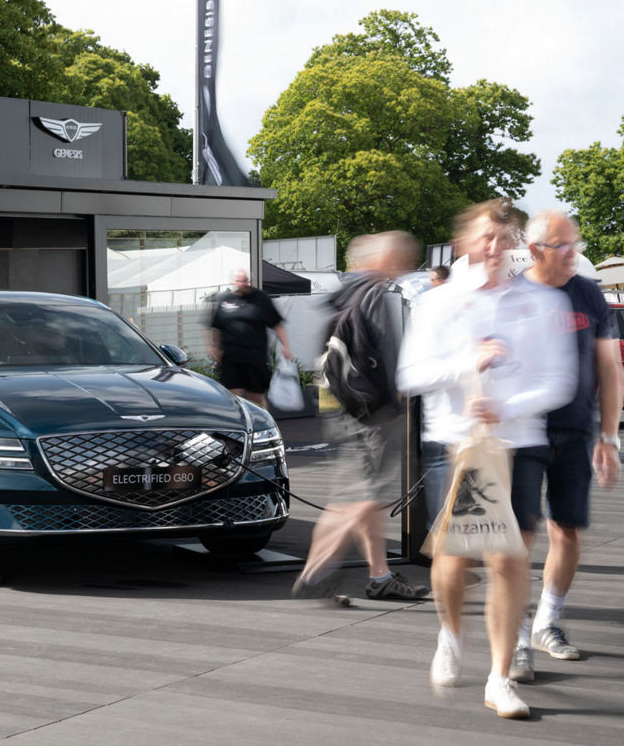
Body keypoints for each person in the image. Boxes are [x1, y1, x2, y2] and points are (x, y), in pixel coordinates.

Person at [397, 199, 577, 720]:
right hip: (457, 444)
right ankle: (450, 635)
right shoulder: (438, 303)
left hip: (517, 444)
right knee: (454, 559)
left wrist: (507, 407)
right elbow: (411, 375)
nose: (496, 248)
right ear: (465, 243)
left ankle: (500, 677)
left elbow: (557, 380)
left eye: (506, 238)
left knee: (508, 557)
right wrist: (464, 367)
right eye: (487, 238)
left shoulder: (543, 304)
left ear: (518, 243)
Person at [509, 211, 623, 682]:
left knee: (567, 531)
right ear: (535, 250)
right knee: (522, 535)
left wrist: (610, 438)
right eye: (563, 245)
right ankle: (514, 638)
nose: (573, 252)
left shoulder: (589, 292)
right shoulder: (513, 295)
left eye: (575, 242)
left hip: (575, 431)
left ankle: (546, 624)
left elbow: (611, 367)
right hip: (523, 430)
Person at [291, 232, 429, 602]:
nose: (405, 264)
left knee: (355, 496)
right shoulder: (372, 296)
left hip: (342, 407)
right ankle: (315, 574)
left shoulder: (349, 292)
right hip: (370, 414)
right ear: (383, 259)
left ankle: (379, 576)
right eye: (401, 257)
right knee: (364, 498)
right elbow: (381, 362)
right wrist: (393, 407)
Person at [208, 268, 293, 409]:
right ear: (233, 282)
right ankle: (238, 427)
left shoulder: (261, 299)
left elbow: (278, 325)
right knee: (233, 397)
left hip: (255, 358)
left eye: (246, 281)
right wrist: (214, 347)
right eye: (240, 281)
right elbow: (216, 326)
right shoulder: (224, 300)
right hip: (231, 358)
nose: (243, 284)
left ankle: (265, 424)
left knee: (256, 397)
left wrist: (286, 347)